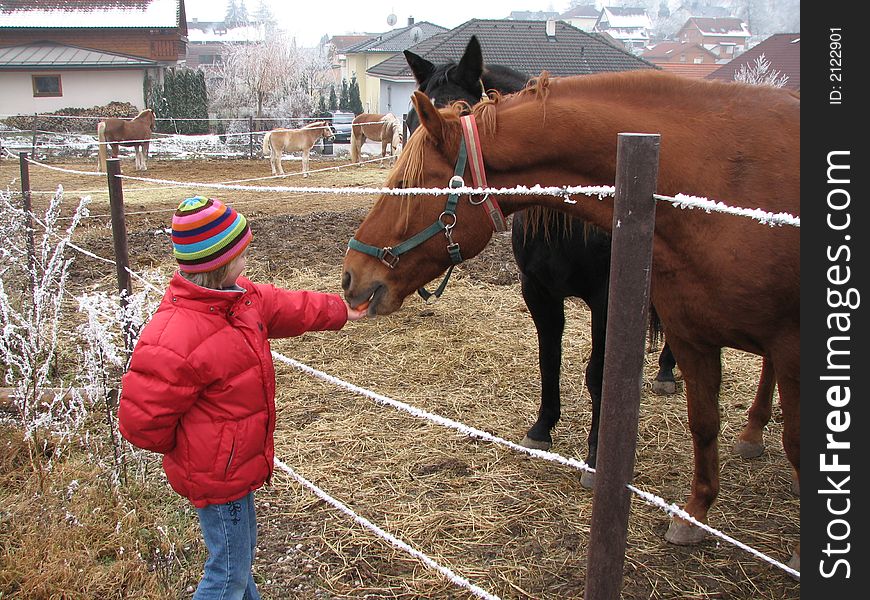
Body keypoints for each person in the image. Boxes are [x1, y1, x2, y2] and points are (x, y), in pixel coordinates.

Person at [118, 196, 366, 599]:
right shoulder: (177, 335)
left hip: (237, 468)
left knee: (239, 559)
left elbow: (290, 307)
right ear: (220, 263)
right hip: (218, 478)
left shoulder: (241, 298)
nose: (247, 259)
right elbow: (140, 421)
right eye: (242, 253)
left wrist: (340, 310)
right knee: (228, 574)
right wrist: (194, 451)